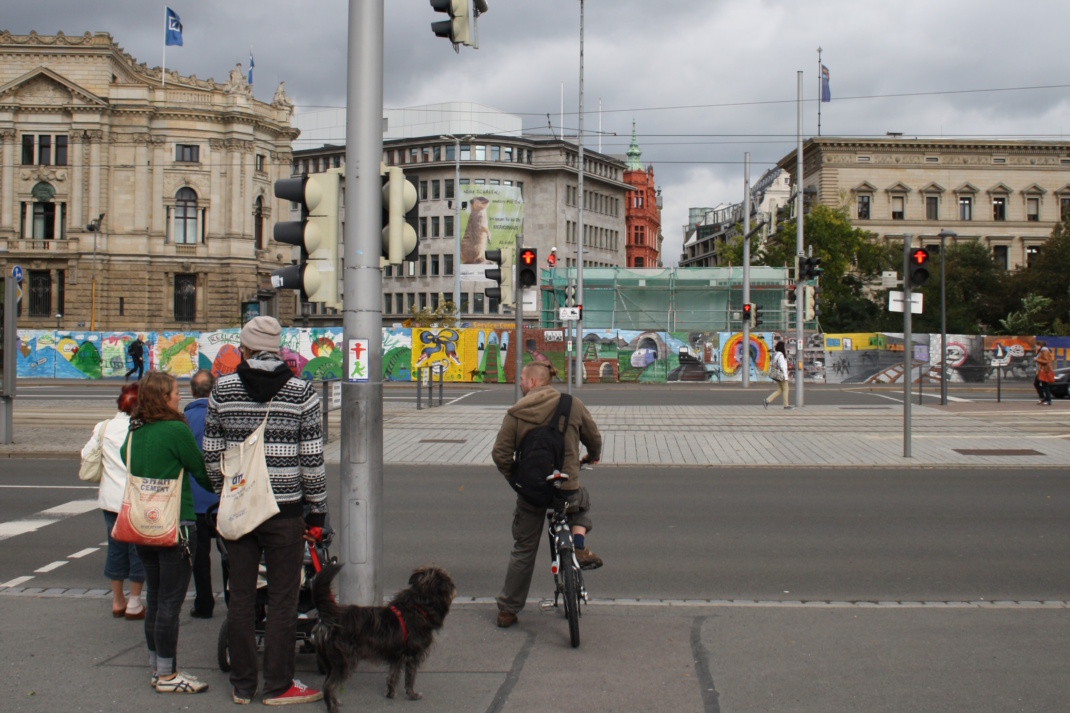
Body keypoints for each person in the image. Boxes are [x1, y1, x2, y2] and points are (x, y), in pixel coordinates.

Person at [204, 316, 327, 706]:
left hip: (238, 511)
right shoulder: (300, 391)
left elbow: (211, 453)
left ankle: (243, 686)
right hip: (285, 511)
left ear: (243, 348)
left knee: (239, 597)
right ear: (278, 349)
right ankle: (278, 686)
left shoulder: (221, 390)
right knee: (283, 600)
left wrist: (226, 493)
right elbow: (312, 459)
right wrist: (318, 511)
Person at [491, 361, 603, 629]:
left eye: (520, 379)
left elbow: (500, 454)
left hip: (532, 491)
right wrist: (592, 456)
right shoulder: (571, 404)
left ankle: (508, 610)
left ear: (532, 382)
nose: (518, 383)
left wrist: (517, 480)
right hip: (566, 486)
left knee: (523, 548)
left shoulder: (517, 412)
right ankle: (577, 544)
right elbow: (594, 438)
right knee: (581, 501)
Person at [122, 371, 213, 694]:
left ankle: (156, 665)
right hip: (176, 524)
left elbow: (124, 458)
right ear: (163, 397)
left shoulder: (136, 429)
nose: (179, 397)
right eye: (175, 392)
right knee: (171, 604)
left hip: (143, 524)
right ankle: (168, 675)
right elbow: (199, 470)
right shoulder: (176, 429)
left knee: (156, 597)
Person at [82, 383, 145, 620]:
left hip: (110, 500)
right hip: (136, 498)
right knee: (138, 550)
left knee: (115, 548)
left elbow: (86, 454)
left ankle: (117, 600)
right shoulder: (143, 427)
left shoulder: (104, 427)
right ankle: (135, 602)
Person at [184, 369, 224, 618]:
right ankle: (234, 600)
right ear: (214, 389)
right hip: (222, 498)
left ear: (191, 391)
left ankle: (204, 603)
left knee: (200, 558)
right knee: (230, 554)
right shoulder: (222, 415)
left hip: (196, 500)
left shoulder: (184, 419)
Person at [763, 341, 791, 410]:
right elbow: (783, 366)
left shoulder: (776, 355)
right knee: (786, 389)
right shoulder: (781, 355)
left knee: (779, 390)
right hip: (782, 375)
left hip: (777, 375)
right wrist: (786, 376)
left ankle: (767, 401)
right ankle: (786, 405)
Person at [1034, 341, 1055, 406]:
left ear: (1039, 346)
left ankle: (1048, 400)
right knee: (1038, 384)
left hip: (1044, 371)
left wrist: (1036, 359)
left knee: (1044, 385)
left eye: (1036, 346)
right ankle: (1043, 398)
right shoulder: (1041, 351)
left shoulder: (1044, 351)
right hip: (1041, 370)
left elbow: (1046, 361)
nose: (1035, 347)